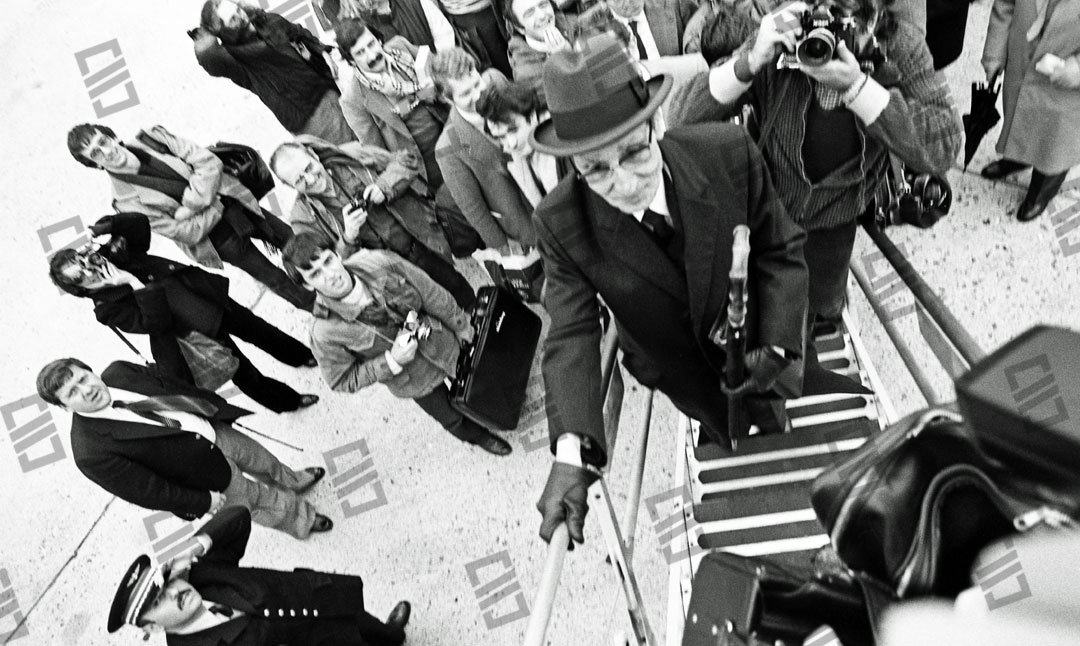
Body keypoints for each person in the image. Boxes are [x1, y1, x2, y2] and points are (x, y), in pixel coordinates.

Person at [529, 32, 808, 546]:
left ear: (656, 125)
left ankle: (772, 427)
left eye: (634, 154)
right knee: (716, 425)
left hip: (755, 349)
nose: (622, 182)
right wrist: (570, 450)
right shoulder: (560, 221)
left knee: (771, 411)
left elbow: (780, 247)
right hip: (677, 369)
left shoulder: (727, 152)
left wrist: (778, 339)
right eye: (595, 170)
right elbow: (570, 331)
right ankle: (723, 435)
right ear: (572, 165)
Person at [705, 0, 960, 341]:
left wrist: (859, 88)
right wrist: (749, 61)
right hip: (768, 224)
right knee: (763, 323)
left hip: (833, 235)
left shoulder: (899, 45)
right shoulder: (783, 31)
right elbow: (681, 118)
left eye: (845, 16)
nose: (827, 31)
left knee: (820, 313)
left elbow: (946, 144)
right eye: (817, 10)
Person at [48, 213, 320, 414]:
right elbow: (154, 323)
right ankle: (288, 402)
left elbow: (140, 227)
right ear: (80, 290)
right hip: (193, 331)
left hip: (206, 298)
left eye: (83, 262)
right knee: (245, 373)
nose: (90, 271)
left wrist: (107, 228)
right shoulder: (107, 310)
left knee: (261, 331)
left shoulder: (111, 255)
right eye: (82, 276)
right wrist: (131, 283)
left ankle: (304, 356)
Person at [35, 359, 333, 538]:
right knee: (257, 501)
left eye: (83, 378)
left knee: (267, 463)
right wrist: (200, 502)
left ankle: (294, 481)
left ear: (90, 371)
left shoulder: (118, 371)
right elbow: (147, 490)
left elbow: (170, 382)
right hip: (206, 478)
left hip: (215, 431)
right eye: (72, 392)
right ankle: (301, 520)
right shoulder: (91, 452)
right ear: (63, 407)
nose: (87, 389)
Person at [282, 232, 513, 456]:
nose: (330, 275)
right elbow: (341, 380)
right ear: (307, 285)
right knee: (452, 417)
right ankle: (480, 436)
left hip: (439, 340)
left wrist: (461, 325)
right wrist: (390, 361)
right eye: (315, 274)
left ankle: (498, 407)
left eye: (328, 261)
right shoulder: (324, 333)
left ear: (337, 254)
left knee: (478, 381)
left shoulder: (379, 262)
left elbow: (431, 293)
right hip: (410, 378)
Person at [67, 123, 315, 312]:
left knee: (296, 240)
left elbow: (208, 162)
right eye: (96, 153)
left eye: (103, 142)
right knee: (275, 278)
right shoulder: (124, 200)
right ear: (95, 165)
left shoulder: (153, 137)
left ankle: (347, 276)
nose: (106, 152)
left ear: (111, 136)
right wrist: (214, 202)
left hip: (239, 203)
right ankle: (322, 311)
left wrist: (191, 204)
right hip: (217, 241)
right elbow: (184, 232)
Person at [107, 506, 410, 644]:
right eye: (160, 602)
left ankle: (392, 635)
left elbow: (237, 517)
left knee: (373, 629)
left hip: (326, 602)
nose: (175, 593)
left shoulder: (204, 574)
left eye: (167, 585)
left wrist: (193, 549)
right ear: (154, 628)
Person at [269, 137, 478, 309]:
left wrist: (385, 186)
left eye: (309, 168)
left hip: (420, 244)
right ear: (290, 186)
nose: (311, 179)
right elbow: (326, 265)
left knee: (456, 286)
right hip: (386, 277)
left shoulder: (351, 155)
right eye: (299, 180)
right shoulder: (302, 217)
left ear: (314, 155)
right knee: (428, 310)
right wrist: (348, 237)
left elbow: (407, 161)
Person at [192, 0, 357, 145]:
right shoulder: (234, 59)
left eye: (238, 9)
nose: (241, 16)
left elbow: (301, 34)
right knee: (352, 166)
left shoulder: (268, 20)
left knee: (372, 145)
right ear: (220, 30)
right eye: (232, 19)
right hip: (310, 117)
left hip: (331, 91)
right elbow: (207, 54)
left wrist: (322, 52)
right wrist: (205, 30)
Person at [980, 0, 1080, 221]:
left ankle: (1041, 191)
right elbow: (1005, 6)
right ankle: (1018, 156)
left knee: (1054, 145)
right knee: (1020, 118)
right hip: (1023, 62)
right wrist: (994, 53)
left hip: (1067, 85)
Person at [432, 48, 538, 254]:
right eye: (465, 94)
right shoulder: (447, 148)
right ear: (448, 99)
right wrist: (502, 247)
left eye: (477, 84)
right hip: (523, 222)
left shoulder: (496, 81)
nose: (478, 95)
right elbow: (474, 209)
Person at [336, 17, 450, 188]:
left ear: (379, 40)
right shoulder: (352, 99)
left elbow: (443, 81)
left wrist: (404, 90)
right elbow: (378, 154)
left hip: (449, 135)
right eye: (360, 53)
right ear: (351, 61)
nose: (371, 55)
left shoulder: (400, 47)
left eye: (371, 44)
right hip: (421, 168)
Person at [475, 80, 562, 209]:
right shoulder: (514, 158)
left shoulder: (562, 142)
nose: (511, 144)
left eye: (513, 130)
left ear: (532, 116)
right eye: (501, 137)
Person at [322, 0, 457, 53]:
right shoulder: (358, 29)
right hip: (413, 104)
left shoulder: (415, 2)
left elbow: (446, 39)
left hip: (445, 81)